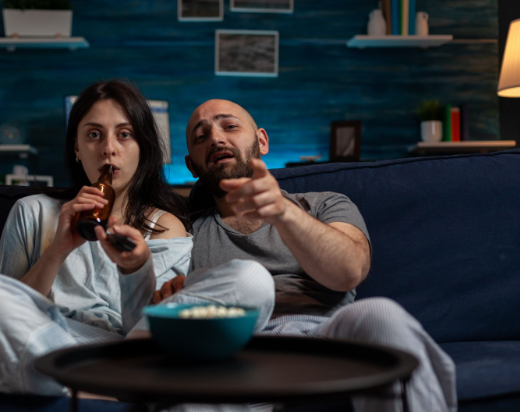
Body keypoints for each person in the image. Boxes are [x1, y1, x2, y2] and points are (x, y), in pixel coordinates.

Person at [140, 99, 457, 412]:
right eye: (201, 136)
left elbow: (349, 271)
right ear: (192, 165)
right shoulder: (187, 232)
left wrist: (282, 212)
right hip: (234, 354)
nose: (216, 138)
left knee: (382, 314)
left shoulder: (324, 204)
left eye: (230, 126)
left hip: (325, 340)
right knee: (187, 377)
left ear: (262, 141)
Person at [0, 79, 193, 396]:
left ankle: (59, 386)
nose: (109, 148)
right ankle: (85, 392)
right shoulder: (32, 211)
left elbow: (149, 330)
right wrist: (58, 250)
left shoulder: (165, 226)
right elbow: (4, 303)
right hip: (44, 341)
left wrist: (134, 267)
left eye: (124, 134)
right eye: (93, 134)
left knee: (244, 280)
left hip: (117, 353)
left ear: (142, 147)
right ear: (76, 147)